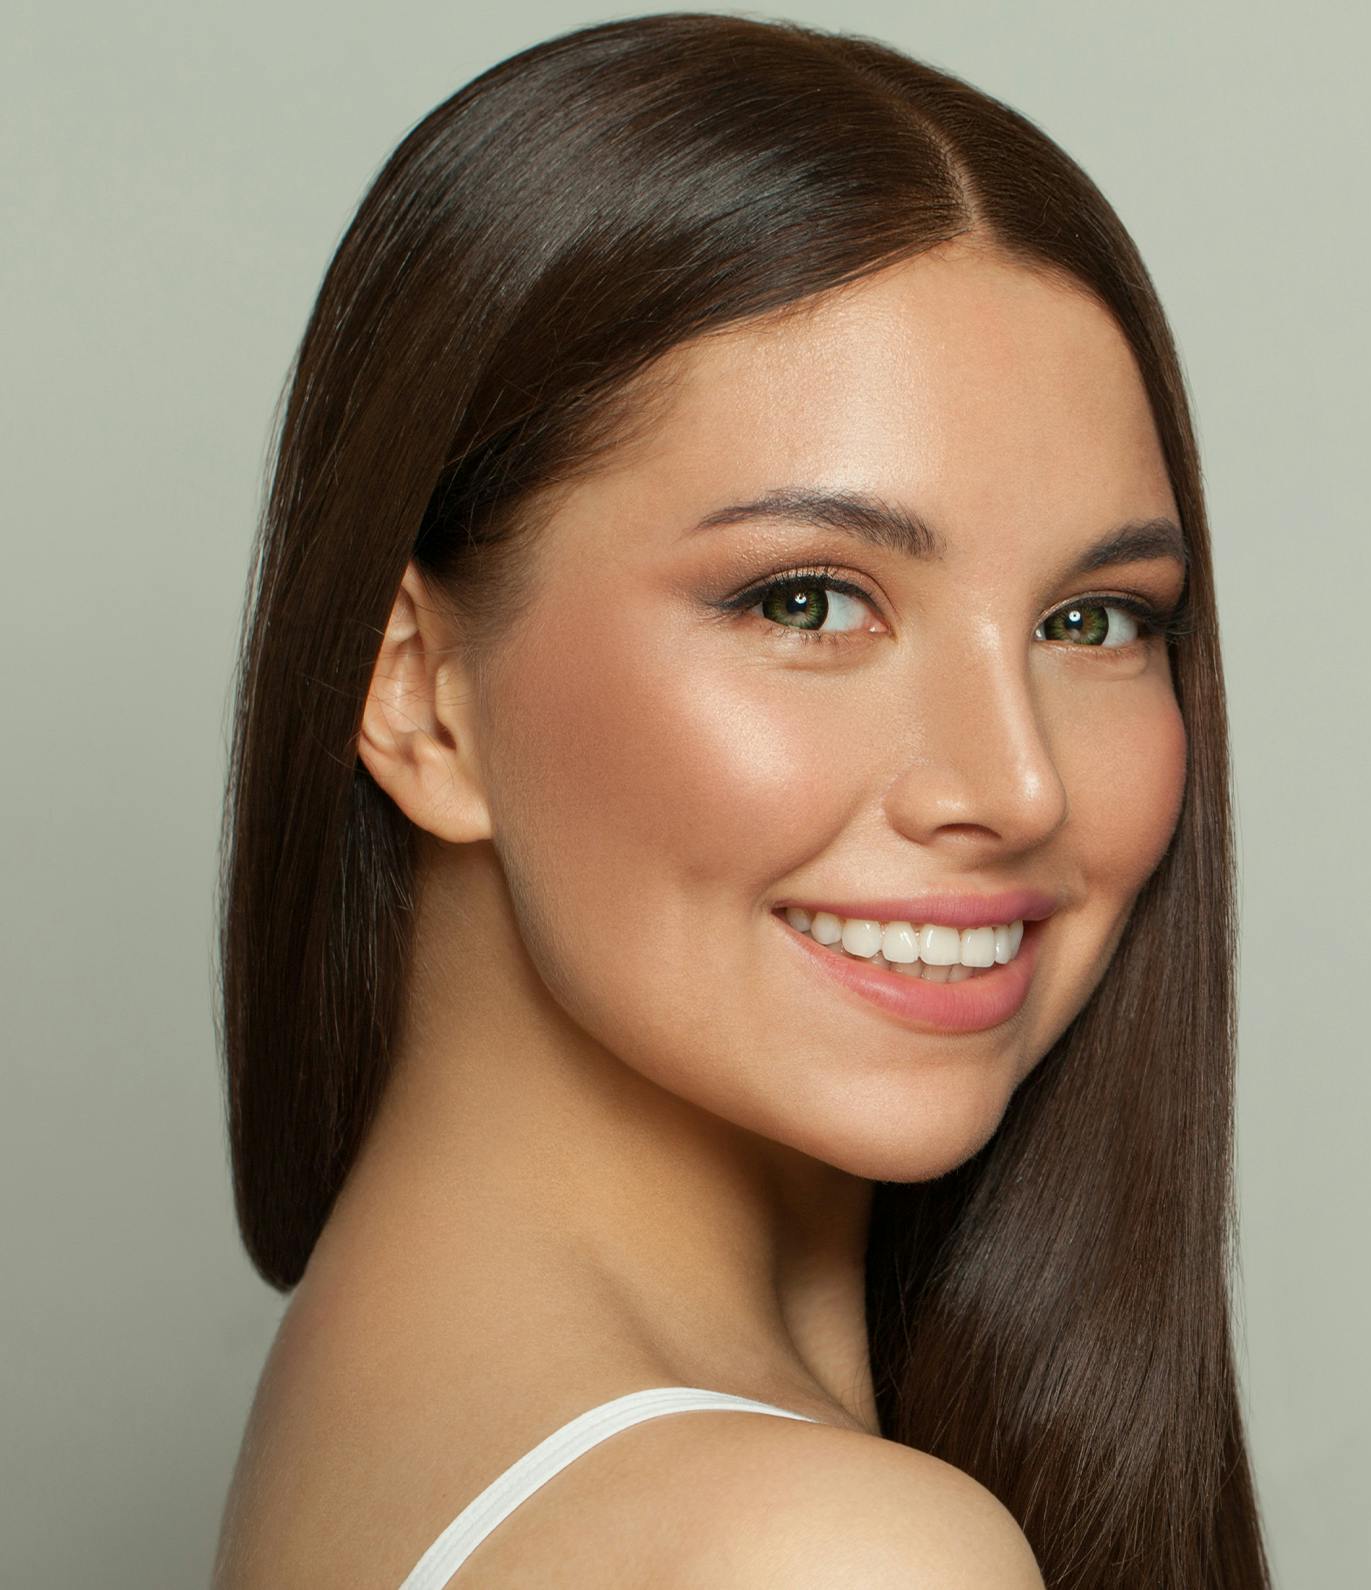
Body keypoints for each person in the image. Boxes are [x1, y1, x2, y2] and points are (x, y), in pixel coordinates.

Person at [211, 13, 1270, 1587]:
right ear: (420, 695)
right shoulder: (815, 1549)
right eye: (804, 601)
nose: (1016, 782)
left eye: (1090, 619)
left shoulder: (374, 1380)